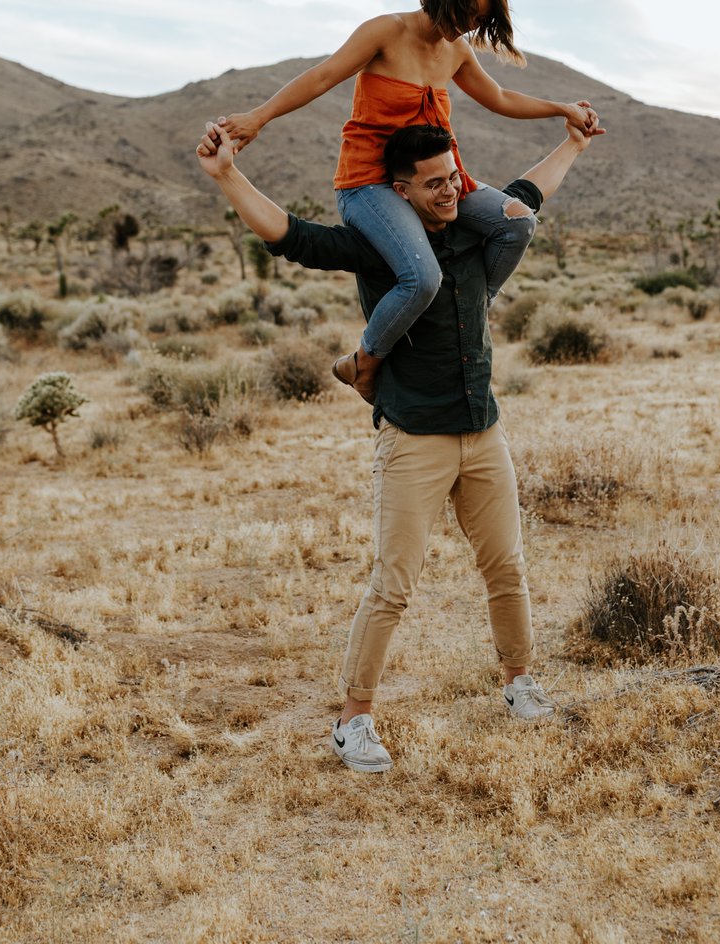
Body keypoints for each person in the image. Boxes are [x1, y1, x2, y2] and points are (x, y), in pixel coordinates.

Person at [195, 113, 598, 773]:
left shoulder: (478, 224)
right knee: (393, 584)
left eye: (453, 177)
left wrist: (573, 144)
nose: (449, 191)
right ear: (400, 191)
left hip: (483, 427)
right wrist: (229, 176)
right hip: (415, 438)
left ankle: (518, 681)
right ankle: (354, 721)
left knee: (506, 568)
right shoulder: (380, 246)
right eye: (433, 183)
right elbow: (293, 237)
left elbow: (530, 192)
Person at [218, 0, 599, 404]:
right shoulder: (385, 32)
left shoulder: (456, 51)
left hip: (433, 180)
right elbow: (322, 77)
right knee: (420, 277)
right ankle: (362, 362)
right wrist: (258, 118)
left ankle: (473, 306)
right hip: (369, 184)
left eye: (478, 19)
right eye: (465, 12)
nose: (466, 26)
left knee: (516, 223)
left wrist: (563, 109)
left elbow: (498, 97)